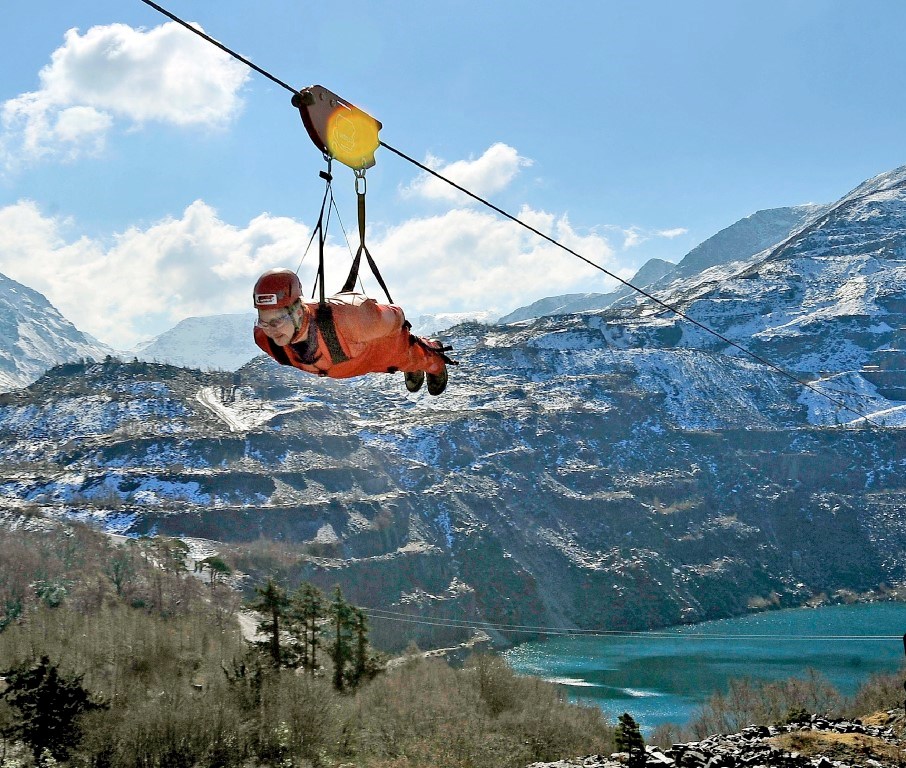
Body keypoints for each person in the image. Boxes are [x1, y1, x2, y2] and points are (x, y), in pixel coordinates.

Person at [252, 268, 452, 395]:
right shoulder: (266, 338)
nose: (271, 330)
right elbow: (268, 330)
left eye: (277, 321)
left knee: (416, 359)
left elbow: (396, 315)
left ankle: (432, 354)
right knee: (405, 363)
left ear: (297, 311)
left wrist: (382, 319)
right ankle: (412, 366)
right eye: (264, 321)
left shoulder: (350, 319)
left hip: (381, 348)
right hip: (350, 361)